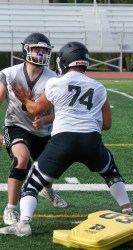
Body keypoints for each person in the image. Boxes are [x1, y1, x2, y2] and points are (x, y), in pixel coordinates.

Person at [0, 41, 133, 236]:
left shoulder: (55, 82)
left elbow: (36, 109)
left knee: (32, 184)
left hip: (63, 141)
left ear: (64, 62)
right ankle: (128, 210)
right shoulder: (98, 87)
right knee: (111, 173)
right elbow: (106, 124)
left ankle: (24, 223)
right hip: (91, 141)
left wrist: (24, 99)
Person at [0, 32, 68, 226]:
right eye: (37, 50)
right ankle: (11, 207)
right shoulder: (9, 74)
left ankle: (47, 190)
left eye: (44, 51)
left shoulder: (54, 78)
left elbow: (62, 111)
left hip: (42, 131)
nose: (41, 54)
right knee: (21, 159)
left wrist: (46, 118)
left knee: (49, 167)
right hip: (16, 125)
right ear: (27, 50)